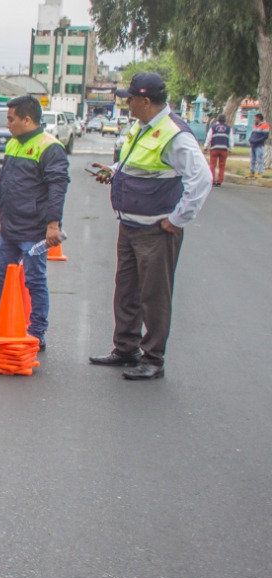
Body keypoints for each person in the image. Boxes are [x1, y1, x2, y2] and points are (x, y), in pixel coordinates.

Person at [88, 72, 212, 380]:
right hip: (129, 224)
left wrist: (177, 218)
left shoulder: (175, 135)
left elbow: (202, 178)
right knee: (126, 290)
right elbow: (134, 164)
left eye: (129, 98)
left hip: (156, 230)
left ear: (144, 101)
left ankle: (153, 357)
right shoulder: (141, 127)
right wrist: (114, 171)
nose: (126, 103)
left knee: (154, 295)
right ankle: (126, 348)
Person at [0, 94, 70, 349]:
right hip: (9, 229)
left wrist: (53, 224)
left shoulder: (50, 148)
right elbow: (3, 180)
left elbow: (57, 188)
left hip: (35, 231)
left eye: (10, 119)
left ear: (27, 119)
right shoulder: (13, 144)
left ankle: (37, 332)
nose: (7, 124)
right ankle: (0, 324)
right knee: (1, 277)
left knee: (34, 280)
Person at [203, 114, 231, 186]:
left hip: (214, 148)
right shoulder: (228, 128)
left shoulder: (213, 128)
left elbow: (209, 138)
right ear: (225, 120)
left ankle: (212, 180)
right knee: (222, 165)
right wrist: (230, 148)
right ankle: (219, 181)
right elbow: (231, 139)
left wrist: (205, 147)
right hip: (224, 149)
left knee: (212, 165)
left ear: (218, 120)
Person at [249, 113, 269, 178]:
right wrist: (250, 139)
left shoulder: (265, 125)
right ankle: (251, 172)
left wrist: (257, 141)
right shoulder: (255, 125)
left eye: (255, 118)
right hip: (253, 145)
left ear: (259, 118)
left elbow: (265, 136)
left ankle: (260, 172)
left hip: (259, 145)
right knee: (252, 160)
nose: (254, 119)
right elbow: (252, 134)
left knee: (260, 160)